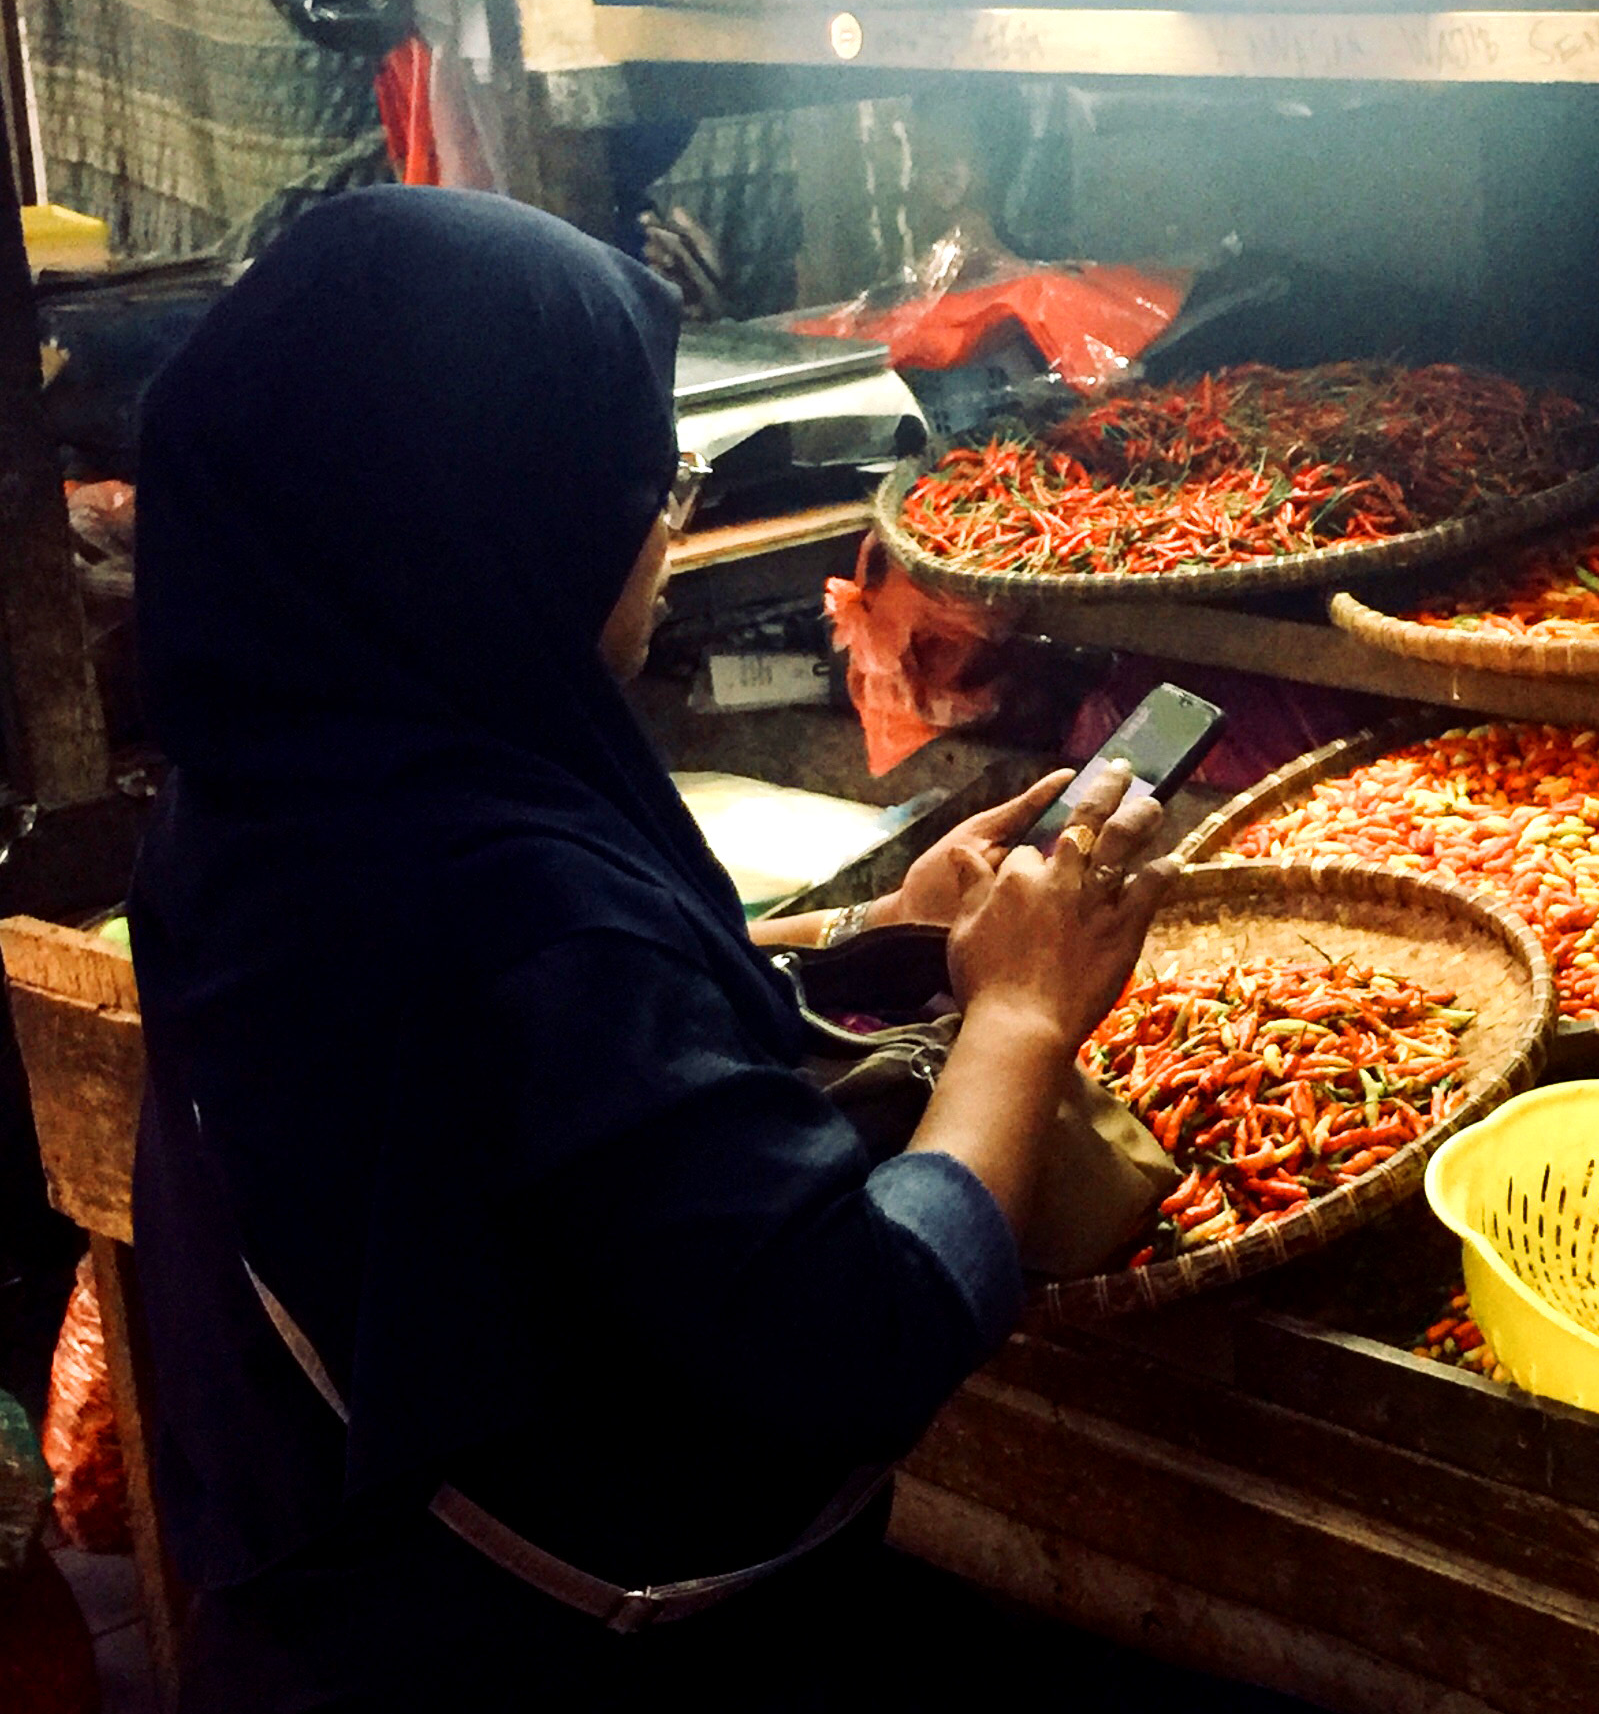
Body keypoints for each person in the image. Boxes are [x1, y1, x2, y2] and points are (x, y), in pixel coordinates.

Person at [126, 187, 1173, 1709]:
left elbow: (538, 1115)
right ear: (497, 517)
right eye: (643, 473)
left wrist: (888, 936)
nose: (668, 516)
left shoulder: (268, 788)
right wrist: (1018, 1018)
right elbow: (864, 1336)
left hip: (323, 1610)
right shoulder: (512, 908)